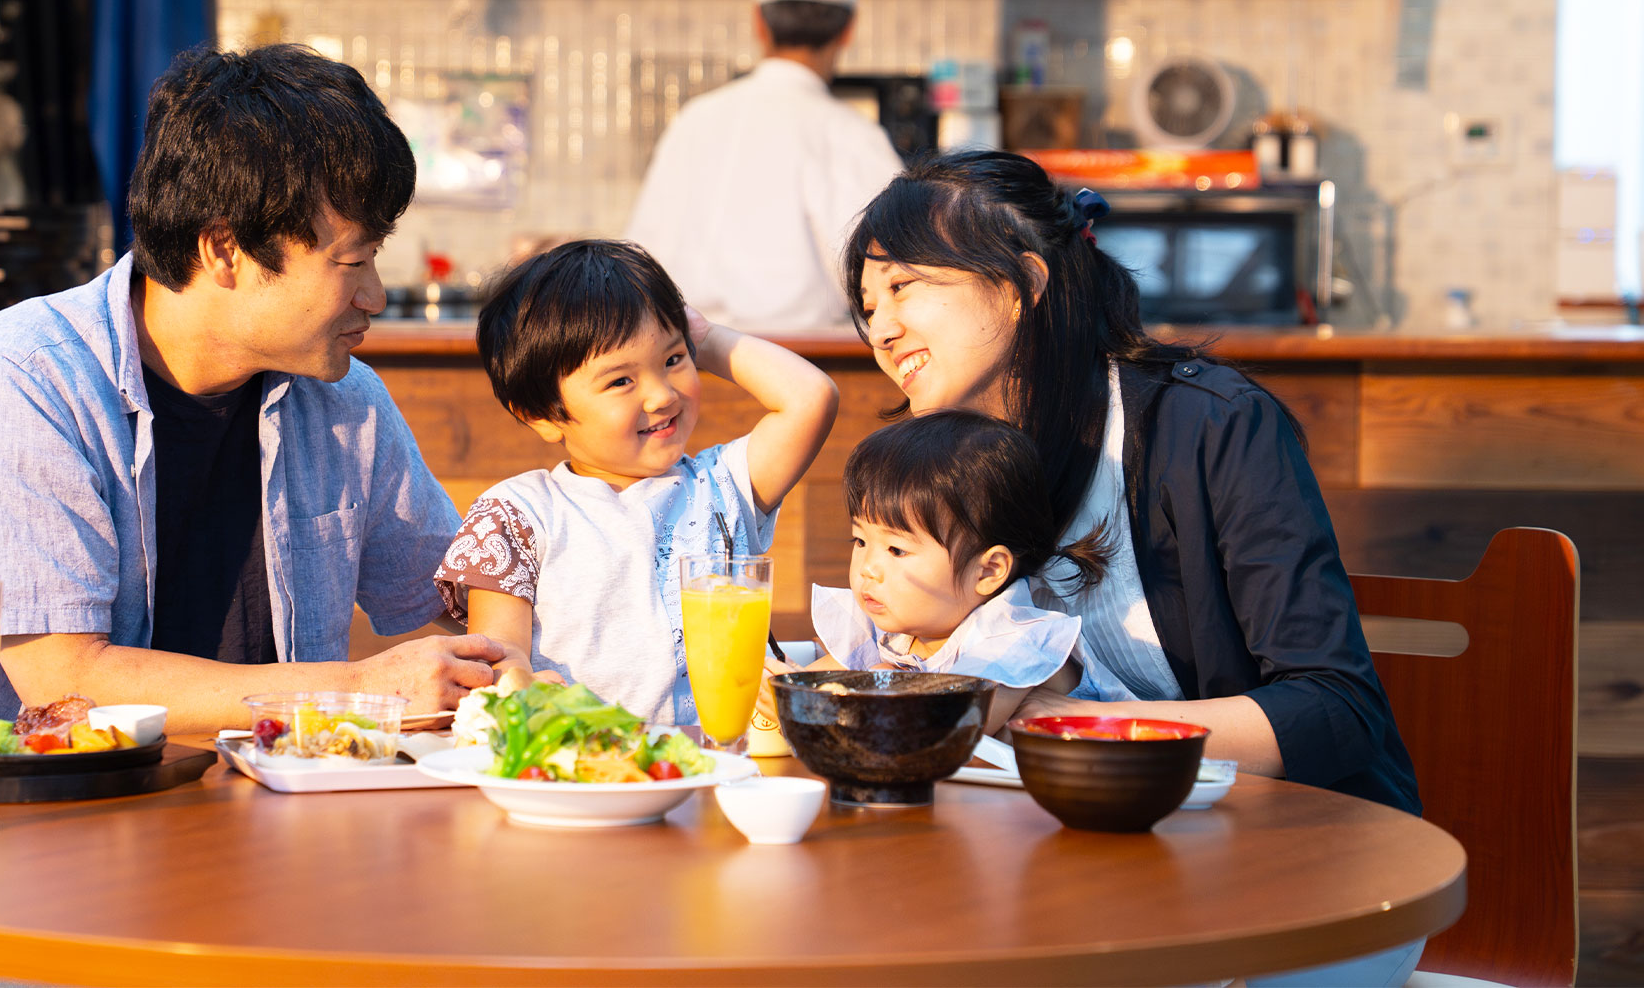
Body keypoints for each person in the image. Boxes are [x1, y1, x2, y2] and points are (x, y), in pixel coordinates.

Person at [0, 44, 506, 746]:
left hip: (241, 817)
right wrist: (359, 690)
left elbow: (455, 602)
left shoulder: (343, 401)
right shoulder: (19, 383)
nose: (373, 295)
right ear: (224, 249)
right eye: (351, 261)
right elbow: (65, 684)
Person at [841, 149, 1421, 814]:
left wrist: (1083, 731)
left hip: (1291, 841)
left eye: (903, 287)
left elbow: (1334, 708)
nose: (881, 330)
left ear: (1022, 285)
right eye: (867, 306)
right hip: (1087, 839)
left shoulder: (1211, 428)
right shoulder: (946, 470)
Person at [434, 239, 838, 724]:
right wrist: (517, 681)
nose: (661, 395)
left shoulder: (724, 485)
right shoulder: (518, 515)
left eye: (673, 360)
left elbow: (811, 397)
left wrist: (704, 337)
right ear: (543, 415)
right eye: (621, 381)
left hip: (717, 766)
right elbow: (499, 655)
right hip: (583, 771)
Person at [621, 0, 902, 330]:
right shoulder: (853, 135)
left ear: (758, 23)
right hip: (809, 368)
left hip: (683, 365)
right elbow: (894, 274)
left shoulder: (696, 120)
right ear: (849, 29)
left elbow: (636, 265)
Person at [763, 410, 1135, 733]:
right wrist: (781, 686)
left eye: (896, 549)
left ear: (988, 571)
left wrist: (821, 703)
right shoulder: (902, 632)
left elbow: (942, 730)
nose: (868, 569)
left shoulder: (1015, 640)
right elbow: (815, 682)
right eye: (860, 541)